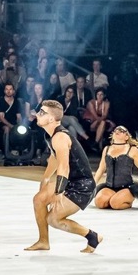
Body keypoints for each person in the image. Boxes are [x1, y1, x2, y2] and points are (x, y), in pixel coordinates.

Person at [25, 100, 103, 253]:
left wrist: (58, 192)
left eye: (42, 112)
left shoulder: (60, 137)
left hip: (83, 185)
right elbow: (55, 158)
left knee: (53, 219)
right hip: (71, 181)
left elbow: (64, 166)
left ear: (51, 119)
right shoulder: (51, 135)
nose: (38, 114)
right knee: (38, 199)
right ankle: (43, 241)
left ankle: (92, 236)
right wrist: (46, 179)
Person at [93, 126, 138, 210]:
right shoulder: (107, 149)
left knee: (115, 204)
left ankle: (126, 201)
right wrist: (92, 185)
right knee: (100, 203)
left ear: (126, 136)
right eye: (115, 130)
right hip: (109, 186)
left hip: (126, 187)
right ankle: (115, 198)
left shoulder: (132, 150)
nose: (117, 131)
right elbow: (101, 169)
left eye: (121, 130)